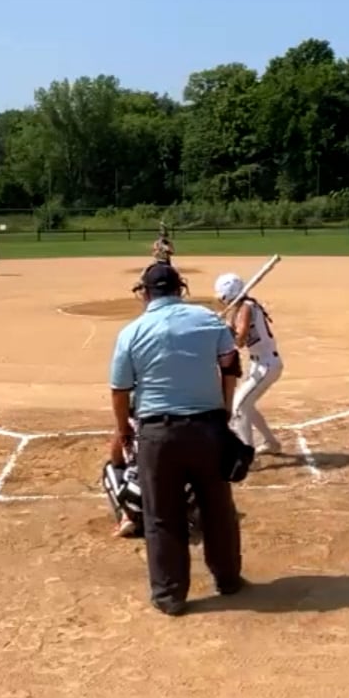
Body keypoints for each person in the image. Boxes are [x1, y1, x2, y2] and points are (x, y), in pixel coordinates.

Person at [108, 262, 245, 616]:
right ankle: (228, 579)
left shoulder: (131, 332)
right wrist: (225, 410)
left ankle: (170, 596)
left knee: (162, 516)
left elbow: (120, 390)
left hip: (158, 435)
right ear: (180, 289)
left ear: (145, 293)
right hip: (208, 429)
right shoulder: (208, 319)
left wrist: (124, 429)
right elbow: (230, 367)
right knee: (217, 509)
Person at [215, 272, 285, 456]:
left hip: (266, 364)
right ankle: (271, 443)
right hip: (258, 364)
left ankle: (246, 455)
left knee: (239, 406)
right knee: (246, 405)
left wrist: (224, 326)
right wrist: (223, 324)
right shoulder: (240, 308)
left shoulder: (246, 308)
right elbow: (232, 332)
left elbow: (239, 341)